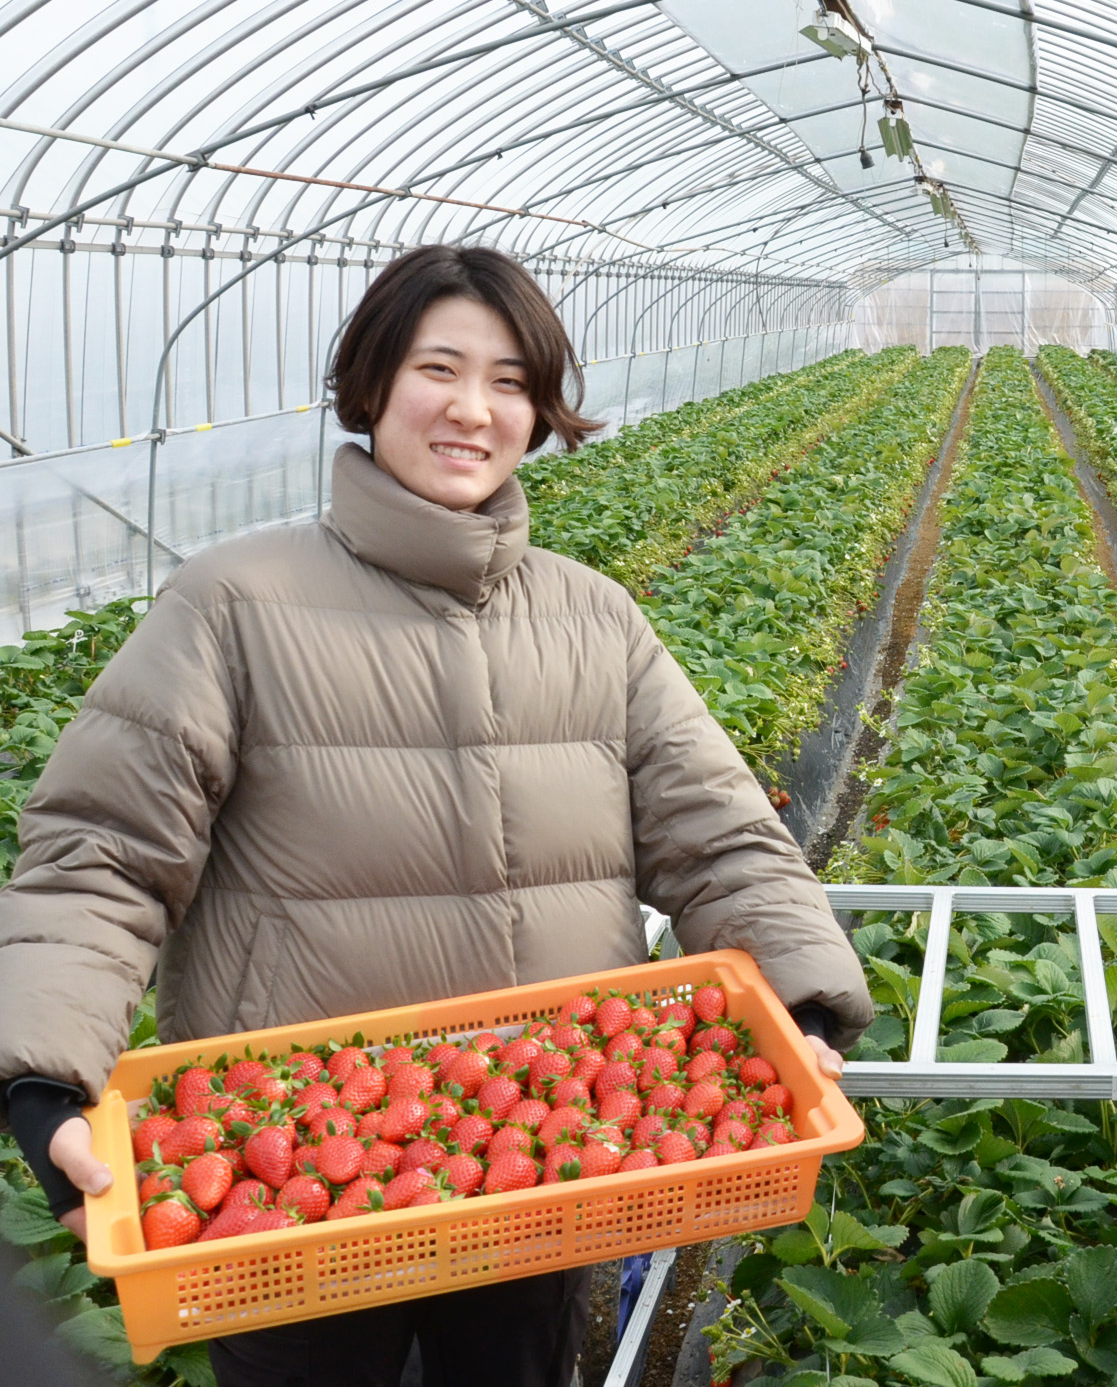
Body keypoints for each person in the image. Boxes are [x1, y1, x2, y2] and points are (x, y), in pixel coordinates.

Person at [0, 244, 874, 1387]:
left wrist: (799, 997)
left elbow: (719, 834)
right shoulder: (233, 601)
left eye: (511, 380)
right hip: (298, 1177)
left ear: (542, 409)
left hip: (551, 1156)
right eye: (440, 369)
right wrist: (43, 1078)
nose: (473, 409)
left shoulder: (591, 617)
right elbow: (101, 854)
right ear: (370, 385)